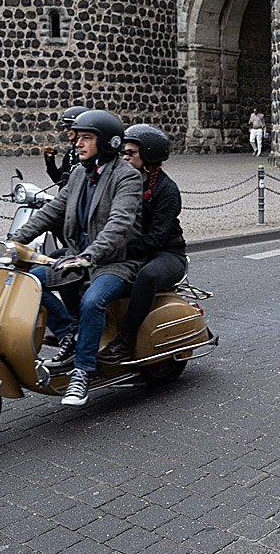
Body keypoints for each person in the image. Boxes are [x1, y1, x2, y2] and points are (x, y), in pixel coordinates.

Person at [11, 109, 144, 406]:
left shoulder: (127, 177)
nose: (78, 144)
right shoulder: (78, 175)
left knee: (92, 300)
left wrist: (89, 255)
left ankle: (83, 371)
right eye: (78, 138)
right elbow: (51, 211)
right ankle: (69, 333)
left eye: (87, 138)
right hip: (78, 258)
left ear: (108, 142)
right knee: (29, 280)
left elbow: (119, 225)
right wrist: (14, 240)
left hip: (114, 262)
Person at [97, 125, 187, 363]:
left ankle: (125, 339)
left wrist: (116, 251)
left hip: (166, 253)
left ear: (148, 155)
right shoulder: (121, 182)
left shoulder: (166, 190)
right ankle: (77, 327)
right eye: (123, 153)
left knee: (147, 276)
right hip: (131, 251)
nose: (125, 157)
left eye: (131, 153)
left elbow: (157, 238)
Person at [44, 105, 90, 187]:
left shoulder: (93, 156)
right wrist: (50, 161)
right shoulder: (71, 153)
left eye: (69, 127)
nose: (65, 130)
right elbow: (60, 181)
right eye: (65, 127)